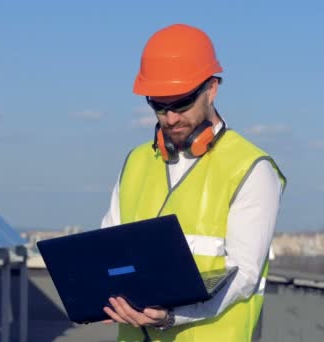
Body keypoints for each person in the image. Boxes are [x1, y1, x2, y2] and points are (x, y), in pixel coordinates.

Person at [100, 23, 286, 342]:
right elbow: (108, 254)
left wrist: (172, 315)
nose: (171, 118)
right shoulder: (135, 163)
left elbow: (243, 274)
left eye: (182, 103)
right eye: (159, 105)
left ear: (211, 89)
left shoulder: (252, 168)